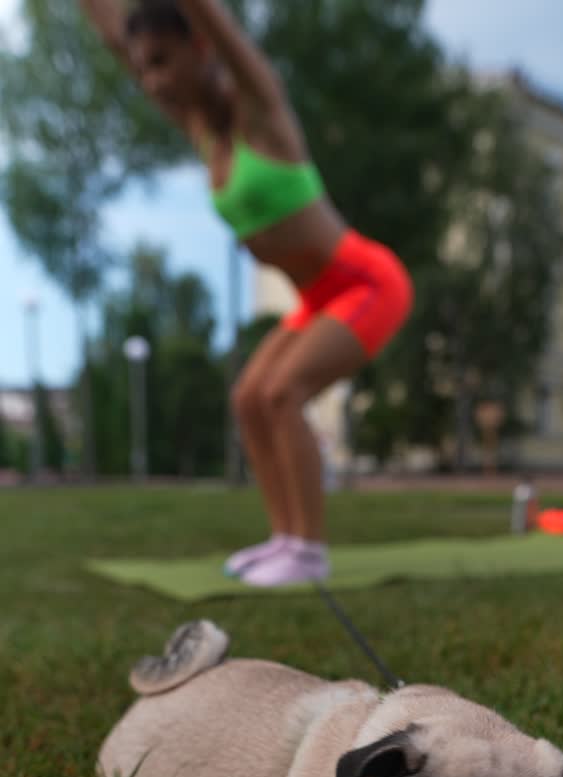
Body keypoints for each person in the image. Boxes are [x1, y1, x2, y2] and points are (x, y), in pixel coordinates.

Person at [80, 0, 414, 585]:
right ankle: (284, 539)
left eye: (162, 61)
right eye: (145, 68)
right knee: (249, 399)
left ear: (199, 48)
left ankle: (309, 552)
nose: (152, 79)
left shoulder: (260, 113)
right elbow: (115, 39)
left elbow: (222, 29)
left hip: (366, 281)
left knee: (283, 394)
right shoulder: (200, 130)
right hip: (315, 299)